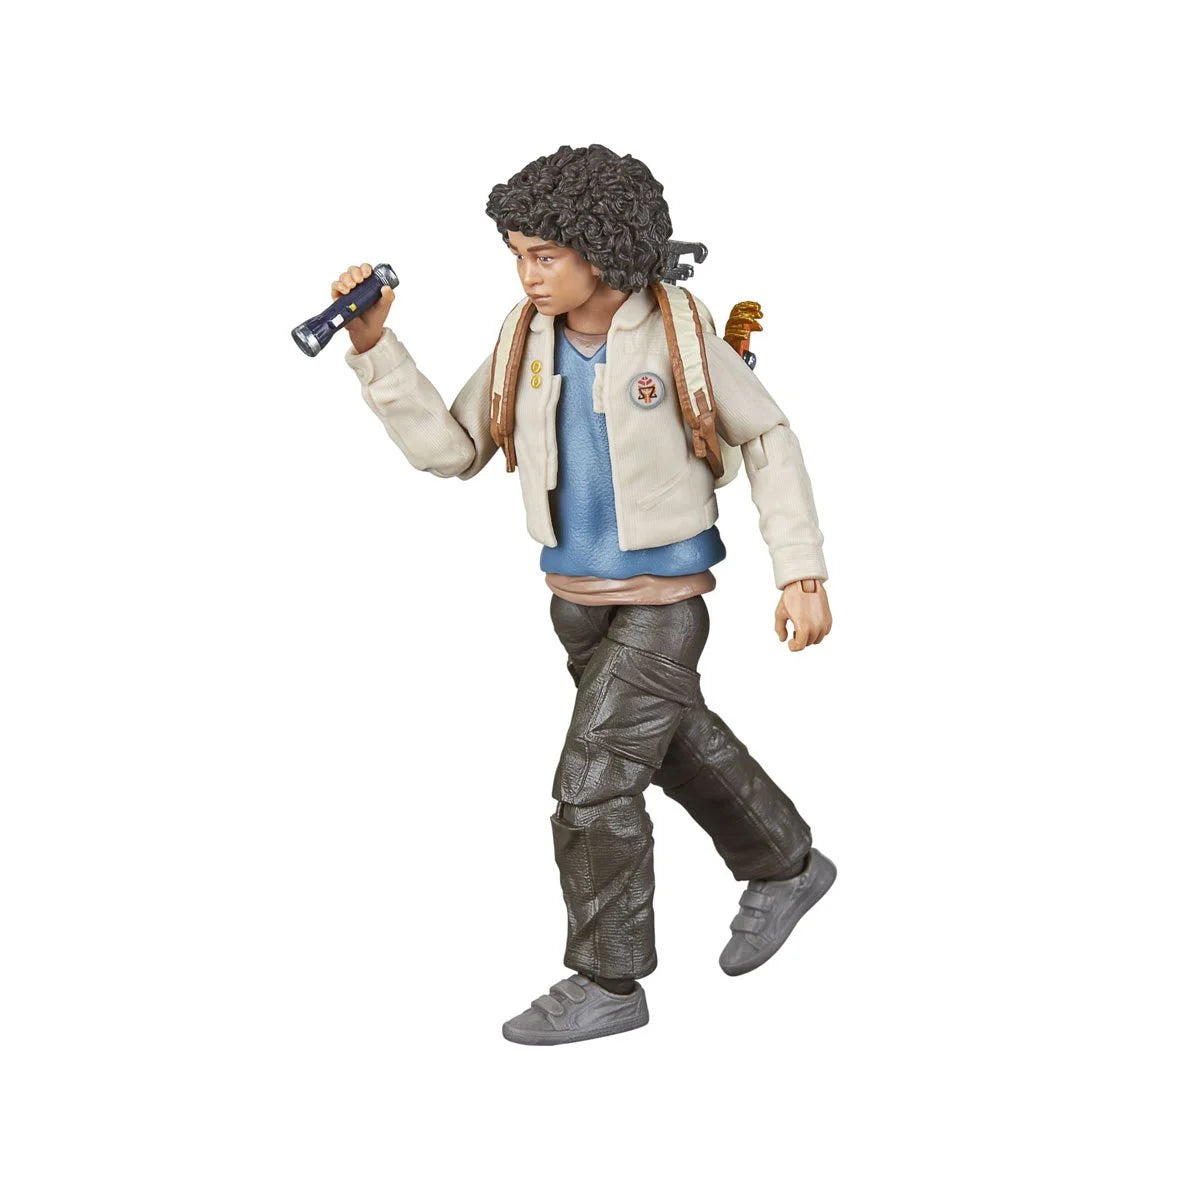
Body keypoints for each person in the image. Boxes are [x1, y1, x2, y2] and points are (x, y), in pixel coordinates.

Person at [333, 144, 835, 1045]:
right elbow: (453, 450)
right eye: (518, 255)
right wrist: (376, 349)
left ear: (602, 250)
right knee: (679, 747)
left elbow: (767, 436)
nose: (527, 274)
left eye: (545, 255)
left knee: (593, 785)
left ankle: (609, 979)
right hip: (573, 601)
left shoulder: (677, 332)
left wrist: (799, 572)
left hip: (661, 603)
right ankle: (787, 864)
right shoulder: (524, 339)